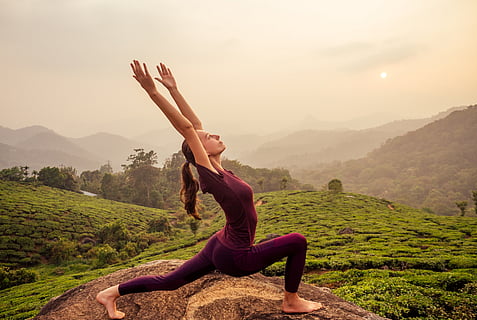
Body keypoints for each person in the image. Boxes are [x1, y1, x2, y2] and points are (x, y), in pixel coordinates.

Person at [96, 60, 323, 319]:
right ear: (200, 150)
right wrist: (153, 92)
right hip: (237, 257)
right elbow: (187, 128)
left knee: (171, 281)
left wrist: (174, 90)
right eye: (208, 138)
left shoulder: (217, 169)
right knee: (298, 241)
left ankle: (110, 293)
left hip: (220, 245)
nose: (214, 135)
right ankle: (291, 301)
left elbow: (194, 124)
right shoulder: (212, 176)